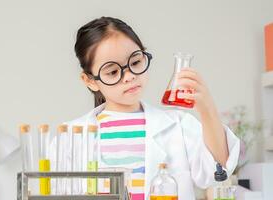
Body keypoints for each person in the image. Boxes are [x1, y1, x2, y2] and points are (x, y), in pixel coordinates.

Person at [51, 16, 240, 200]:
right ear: (90, 81)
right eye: (112, 72)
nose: (129, 76)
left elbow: (217, 171)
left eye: (135, 62)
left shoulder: (178, 125)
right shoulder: (70, 137)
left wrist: (207, 108)